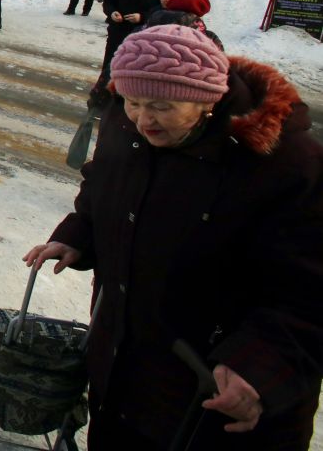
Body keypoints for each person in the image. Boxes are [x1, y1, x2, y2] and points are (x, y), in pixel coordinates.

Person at [25, 23, 323, 451]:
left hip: (214, 396)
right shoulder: (126, 125)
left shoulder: (286, 165)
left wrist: (260, 367)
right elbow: (102, 181)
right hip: (124, 370)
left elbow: (310, 293)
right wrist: (80, 233)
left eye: (162, 106)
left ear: (206, 101)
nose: (143, 119)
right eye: (132, 102)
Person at [94, 0, 158, 89]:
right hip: (117, 29)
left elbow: (158, 10)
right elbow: (109, 1)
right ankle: (103, 88)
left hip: (141, 33)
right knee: (111, 61)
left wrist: (142, 17)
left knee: (133, 64)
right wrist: (112, 12)